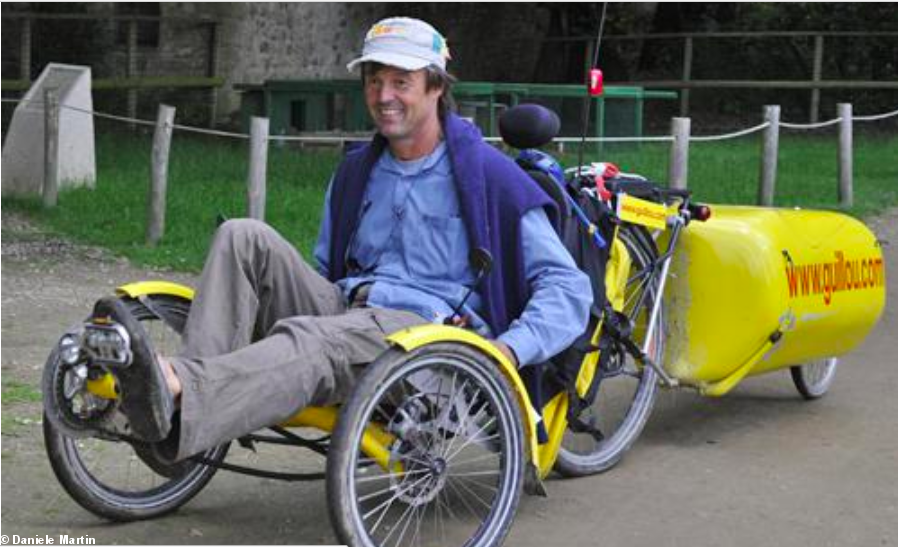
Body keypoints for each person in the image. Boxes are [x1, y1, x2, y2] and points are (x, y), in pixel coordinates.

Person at [87, 17, 592, 462]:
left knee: (316, 337)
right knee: (242, 235)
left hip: (424, 338)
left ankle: (176, 386)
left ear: (436, 87)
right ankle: (182, 409)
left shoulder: (491, 178)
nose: (384, 96)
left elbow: (569, 288)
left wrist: (509, 350)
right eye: (374, 81)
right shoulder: (357, 171)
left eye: (401, 82)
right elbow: (326, 269)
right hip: (349, 309)